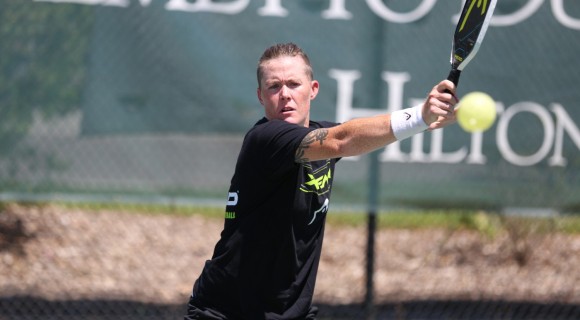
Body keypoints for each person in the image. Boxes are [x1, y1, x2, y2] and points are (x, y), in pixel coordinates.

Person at [184, 42, 458, 320]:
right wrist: (420, 116)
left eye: (293, 84)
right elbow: (341, 141)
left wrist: (428, 119)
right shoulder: (265, 140)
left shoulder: (321, 135)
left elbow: (353, 136)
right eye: (274, 87)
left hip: (290, 311)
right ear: (260, 96)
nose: (285, 95)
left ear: (312, 89)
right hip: (226, 311)